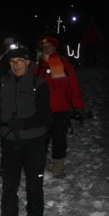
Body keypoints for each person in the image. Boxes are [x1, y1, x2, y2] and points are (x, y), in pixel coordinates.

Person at [0, 44, 50, 216]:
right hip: (9, 141)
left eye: (20, 61)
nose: (16, 65)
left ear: (28, 62)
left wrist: (23, 123)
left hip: (34, 142)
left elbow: (44, 116)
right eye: (12, 62)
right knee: (9, 184)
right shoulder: (3, 82)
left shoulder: (39, 84)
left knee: (34, 185)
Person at [33, 35, 85, 178]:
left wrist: (78, 105)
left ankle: (58, 164)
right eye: (45, 47)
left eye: (50, 47)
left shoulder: (63, 64)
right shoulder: (37, 66)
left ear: (55, 48)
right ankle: (42, 162)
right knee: (40, 137)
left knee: (59, 137)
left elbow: (73, 85)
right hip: (42, 109)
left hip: (60, 107)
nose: (47, 49)